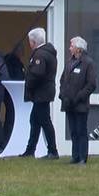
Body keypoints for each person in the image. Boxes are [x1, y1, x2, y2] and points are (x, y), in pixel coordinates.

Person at [21, 28, 59, 159]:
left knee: (44, 121)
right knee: (35, 120)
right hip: (44, 92)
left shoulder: (40, 55)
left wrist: (29, 85)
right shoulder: (47, 53)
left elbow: (37, 74)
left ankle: (53, 151)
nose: (29, 44)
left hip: (41, 93)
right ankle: (30, 150)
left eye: (30, 41)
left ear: (33, 42)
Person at [59, 36, 96, 165]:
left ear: (78, 49)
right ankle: (75, 156)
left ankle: (82, 157)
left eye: (71, 46)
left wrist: (78, 96)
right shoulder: (70, 62)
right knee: (73, 131)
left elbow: (91, 84)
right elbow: (63, 80)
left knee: (81, 130)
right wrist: (62, 95)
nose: (70, 48)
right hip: (69, 103)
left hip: (80, 104)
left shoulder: (88, 63)